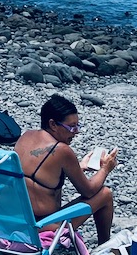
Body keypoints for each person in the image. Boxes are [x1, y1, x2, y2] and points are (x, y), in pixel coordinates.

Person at [14, 95, 118, 243]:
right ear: (53, 124)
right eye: (71, 127)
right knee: (105, 194)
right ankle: (105, 247)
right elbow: (88, 191)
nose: (76, 132)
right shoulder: (61, 150)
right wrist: (105, 169)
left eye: (77, 126)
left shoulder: (26, 136)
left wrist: (78, 167)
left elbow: (39, 174)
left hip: (16, 219)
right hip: (42, 225)